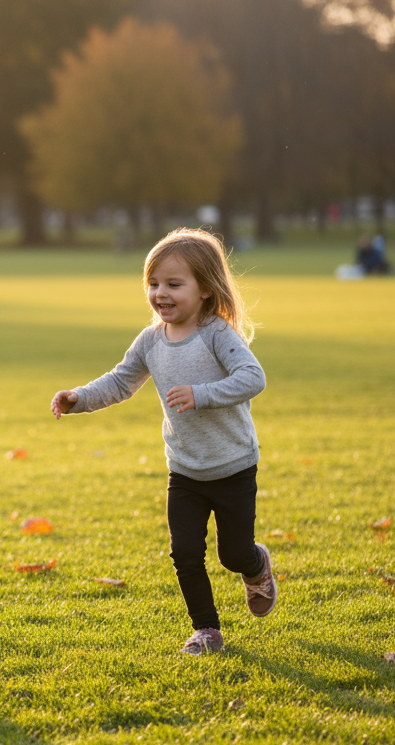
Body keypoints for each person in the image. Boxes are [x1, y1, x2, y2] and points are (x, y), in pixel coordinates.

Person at [50, 227, 275, 656]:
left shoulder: (216, 334)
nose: (160, 293)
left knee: (233, 554)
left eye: (174, 284)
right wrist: (78, 398)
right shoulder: (151, 339)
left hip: (232, 465)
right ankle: (206, 630)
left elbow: (253, 378)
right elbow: (121, 381)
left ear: (206, 290)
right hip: (185, 470)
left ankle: (256, 564)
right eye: (153, 284)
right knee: (185, 553)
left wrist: (201, 393)